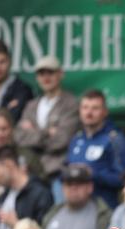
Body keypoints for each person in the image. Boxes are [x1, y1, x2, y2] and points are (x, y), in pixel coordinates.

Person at [14, 55, 80, 187]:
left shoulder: (71, 103)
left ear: (60, 74)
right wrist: (47, 132)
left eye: (50, 72)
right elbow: (19, 137)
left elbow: (62, 140)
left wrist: (33, 132)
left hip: (58, 172)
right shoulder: (31, 105)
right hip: (31, 172)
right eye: (41, 74)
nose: (46, 77)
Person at [66, 89, 125, 208]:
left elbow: (123, 179)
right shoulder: (76, 139)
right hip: (76, 208)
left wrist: (93, 174)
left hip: (103, 209)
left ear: (105, 112)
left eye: (95, 108)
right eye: (85, 107)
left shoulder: (115, 139)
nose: (89, 112)